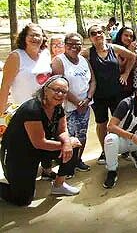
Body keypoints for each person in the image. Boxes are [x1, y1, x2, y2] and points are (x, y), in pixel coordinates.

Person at [1, 76, 81, 206]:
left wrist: (67, 143)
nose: (60, 94)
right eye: (56, 90)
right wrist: (66, 145)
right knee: (22, 200)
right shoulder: (32, 109)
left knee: (74, 145)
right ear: (45, 89)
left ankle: (58, 186)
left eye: (64, 91)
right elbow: (40, 142)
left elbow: (62, 130)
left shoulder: (58, 107)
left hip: (39, 150)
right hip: (18, 154)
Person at [0, 23, 55, 179]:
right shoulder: (16, 56)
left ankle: (47, 169)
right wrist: (1, 112)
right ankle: (25, 174)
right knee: (27, 143)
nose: (35, 38)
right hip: (24, 110)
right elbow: (5, 86)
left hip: (45, 107)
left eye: (38, 35)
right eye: (31, 35)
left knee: (47, 137)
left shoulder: (45, 54)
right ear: (24, 37)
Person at [82, 24, 136, 165]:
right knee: (101, 124)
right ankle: (105, 150)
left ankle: (124, 149)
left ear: (104, 33)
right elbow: (73, 61)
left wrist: (126, 73)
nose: (98, 35)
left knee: (120, 121)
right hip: (98, 95)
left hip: (116, 93)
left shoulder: (114, 48)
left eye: (100, 32)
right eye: (94, 33)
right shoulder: (87, 53)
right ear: (90, 38)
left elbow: (132, 57)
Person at [51, 33, 95, 174]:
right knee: (67, 136)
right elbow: (59, 85)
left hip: (85, 105)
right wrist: (77, 102)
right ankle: (66, 166)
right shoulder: (59, 61)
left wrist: (87, 99)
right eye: (70, 44)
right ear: (65, 44)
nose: (74, 47)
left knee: (82, 134)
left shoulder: (84, 60)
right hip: (67, 107)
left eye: (77, 44)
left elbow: (93, 81)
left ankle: (78, 160)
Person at [112, 26, 137, 98]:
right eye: (126, 35)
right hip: (119, 84)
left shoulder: (134, 48)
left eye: (131, 36)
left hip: (131, 84)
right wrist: (130, 53)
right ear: (120, 36)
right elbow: (121, 67)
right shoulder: (114, 49)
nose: (128, 38)